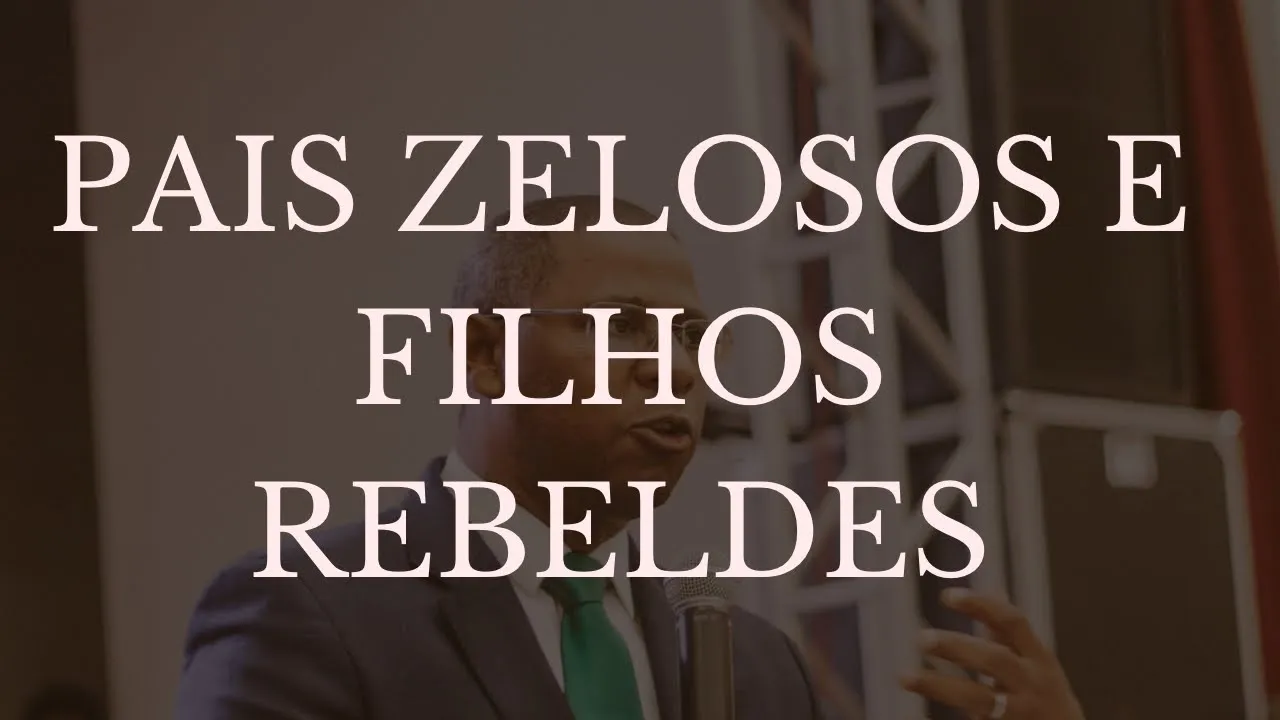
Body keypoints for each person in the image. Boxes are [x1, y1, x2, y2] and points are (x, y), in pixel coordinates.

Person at [176, 195, 1086, 720]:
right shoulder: (311, 611)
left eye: (690, 338)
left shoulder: (755, 666)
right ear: (483, 355)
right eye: (620, 328)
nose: (674, 370)